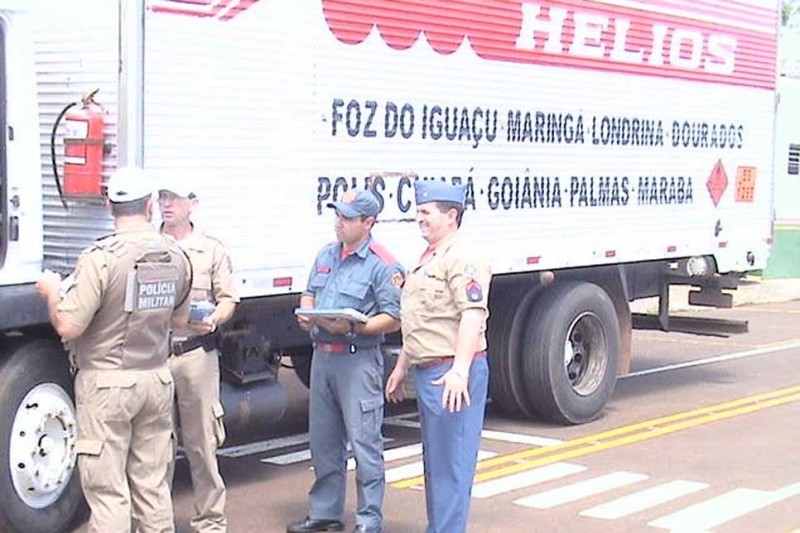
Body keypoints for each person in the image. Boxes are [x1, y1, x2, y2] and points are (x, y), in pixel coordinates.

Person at [35, 166, 192, 533]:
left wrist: (52, 293)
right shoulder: (176, 255)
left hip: (106, 386)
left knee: (108, 492)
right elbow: (180, 319)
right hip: (156, 379)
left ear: (109, 206)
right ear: (150, 206)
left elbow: (69, 325)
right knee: (153, 487)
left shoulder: (100, 258)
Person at [287, 189, 404, 533]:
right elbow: (310, 291)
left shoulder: (383, 264)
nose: (339, 223)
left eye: (348, 218)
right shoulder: (327, 253)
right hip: (323, 358)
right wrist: (307, 311)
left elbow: (394, 317)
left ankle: (369, 520)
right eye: (338, 215)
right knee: (323, 442)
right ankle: (325, 513)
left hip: (358, 360)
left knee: (365, 443)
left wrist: (356, 326)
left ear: (368, 223)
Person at [385, 180, 491, 533]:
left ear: (451, 215)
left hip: (450, 373)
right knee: (437, 465)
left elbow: (472, 314)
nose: (419, 218)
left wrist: (460, 371)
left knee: (452, 467)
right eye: (419, 211)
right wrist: (402, 366)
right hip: (429, 370)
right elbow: (422, 319)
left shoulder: (462, 257)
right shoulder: (430, 257)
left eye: (426, 212)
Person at [158, 177, 240, 532]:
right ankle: (155, 522)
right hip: (156, 355)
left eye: (174, 198)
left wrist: (215, 318)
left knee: (202, 444)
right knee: (155, 446)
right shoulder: (149, 245)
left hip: (196, 355)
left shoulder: (211, 249)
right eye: (163, 197)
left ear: (192, 203)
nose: (167, 204)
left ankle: (210, 522)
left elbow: (228, 298)